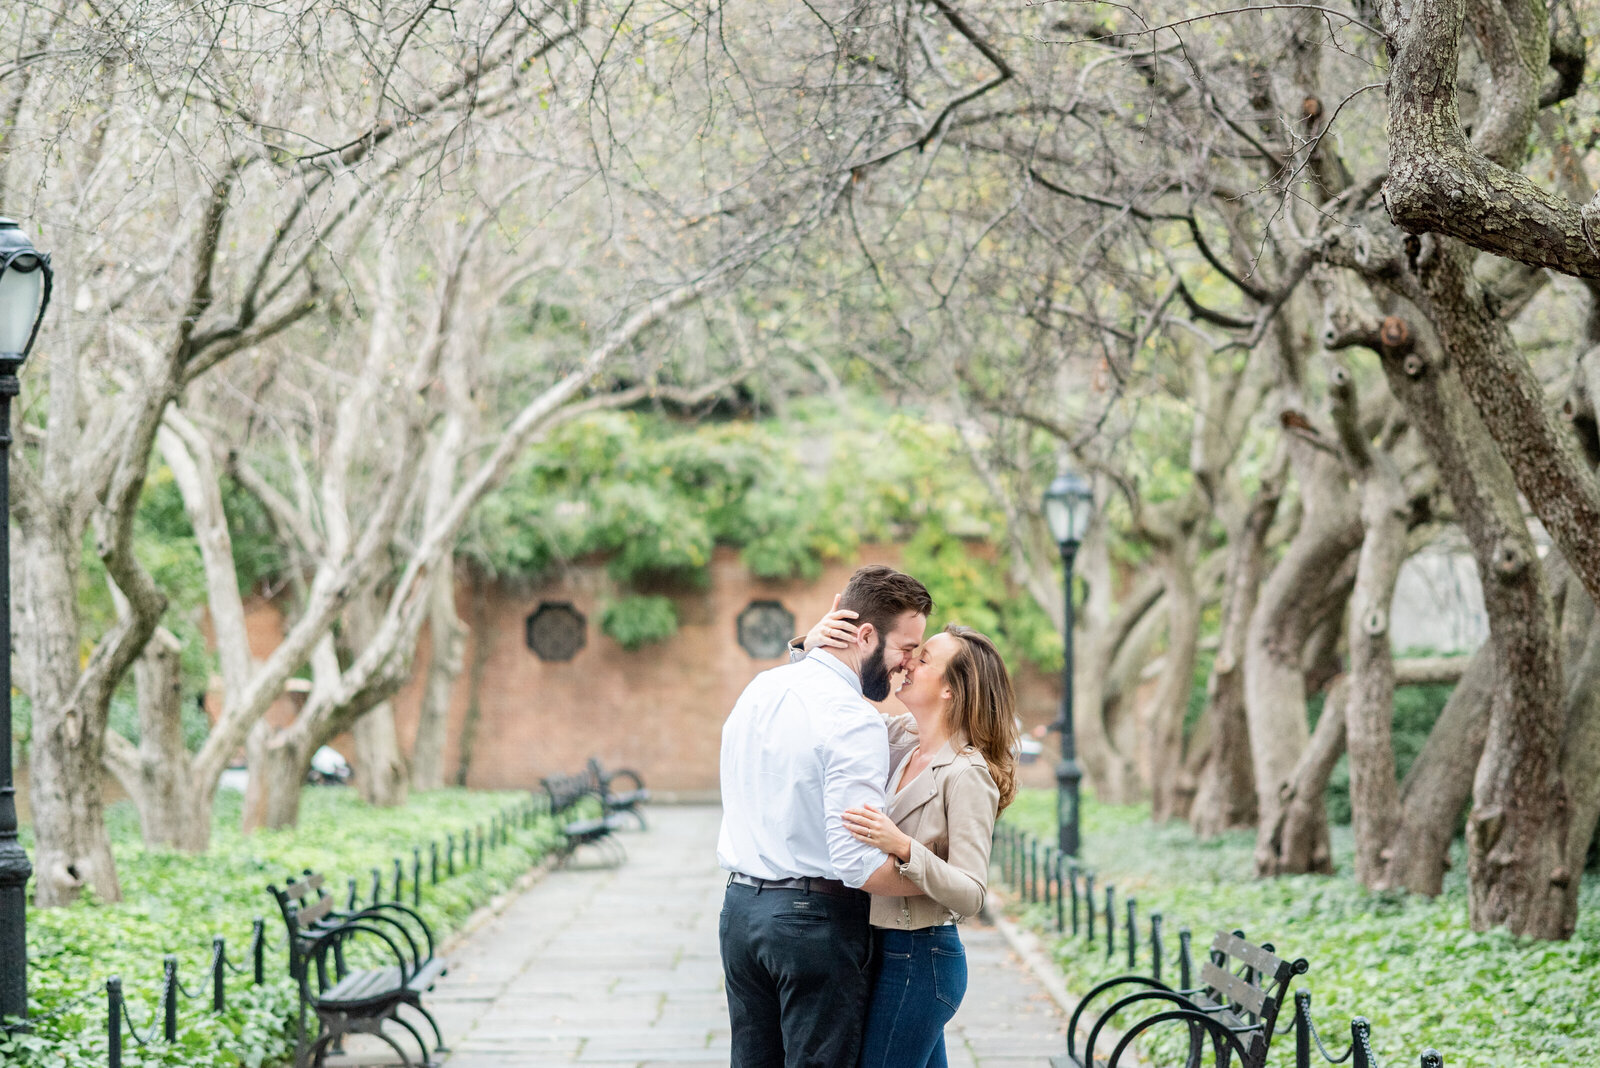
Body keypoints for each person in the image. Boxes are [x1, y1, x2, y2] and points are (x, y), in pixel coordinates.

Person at [717, 565, 934, 1067]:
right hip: (812, 926)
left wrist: (804, 651)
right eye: (906, 648)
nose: (907, 665)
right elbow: (858, 865)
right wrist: (947, 880)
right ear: (864, 634)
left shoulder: (762, 688)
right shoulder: (850, 717)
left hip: (740, 914)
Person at [839, 624, 1019, 1068]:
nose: (907, 663)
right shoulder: (900, 740)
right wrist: (809, 646)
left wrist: (903, 847)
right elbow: (830, 710)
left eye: (923, 660)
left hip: (922, 959)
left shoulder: (967, 774)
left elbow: (973, 892)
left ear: (951, 691)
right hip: (882, 951)